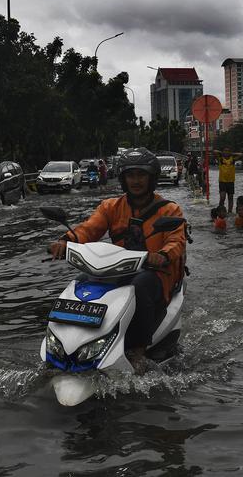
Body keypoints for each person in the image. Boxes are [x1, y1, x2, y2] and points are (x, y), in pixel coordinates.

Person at [48, 148, 187, 372]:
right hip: (118, 269)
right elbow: (88, 229)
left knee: (140, 285)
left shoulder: (170, 209)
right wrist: (65, 242)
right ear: (123, 179)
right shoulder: (111, 207)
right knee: (83, 281)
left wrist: (161, 256)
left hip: (158, 274)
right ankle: (65, 345)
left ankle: (139, 351)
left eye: (141, 175)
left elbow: (176, 241)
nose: (136, 181)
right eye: (131, 175)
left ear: (151, 178)